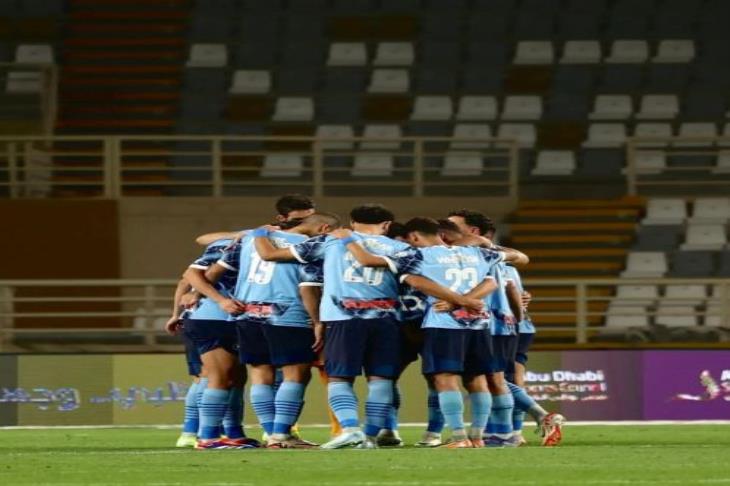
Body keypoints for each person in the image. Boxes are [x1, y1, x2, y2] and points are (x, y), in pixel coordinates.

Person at [253, 204, 483, 449]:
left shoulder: (330, 241)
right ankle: (371, 436)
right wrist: (461, 299)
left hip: (342, 318)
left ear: (352, 223)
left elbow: (270, 255)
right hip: (387, 321)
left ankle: (351, 429)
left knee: (340, 378)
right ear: (386, 226)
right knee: (381, 379)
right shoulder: (403, 248)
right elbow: (416, 279)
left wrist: (257, 234)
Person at [187, 214, 340, 448]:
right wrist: (317, 321)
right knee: (296, 375)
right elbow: (307, 287)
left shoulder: (250, 239)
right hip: (286, 314)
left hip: (248, 315)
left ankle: (248, 434)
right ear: (324, 228)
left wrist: (199, 295)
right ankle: (279, 435)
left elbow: (213, 272)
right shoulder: (311, 245)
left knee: (260, 375)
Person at [180, 240, 259, 450]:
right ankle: (207, 436)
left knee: (237, 377)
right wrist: (219, 300)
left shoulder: (264, 245)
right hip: (211, 317)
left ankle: (233, 432)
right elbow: (190, 274)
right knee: (218, 376)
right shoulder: (239, 245)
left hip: (235, 318)